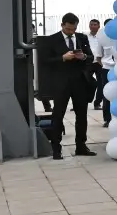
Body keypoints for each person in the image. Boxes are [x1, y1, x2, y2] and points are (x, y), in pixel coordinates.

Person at [40, 13, 96, 159]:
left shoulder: (82, 38)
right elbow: (45, 60)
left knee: (82, 115)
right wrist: (62, 58)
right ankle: (56, 148)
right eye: (69, 29)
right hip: (61, 82)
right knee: (58, 115)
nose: (71, 32)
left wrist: (83, 57)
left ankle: (81, 145)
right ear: (62, 25)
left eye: (74, 29)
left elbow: (90, 57)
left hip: (79, 81)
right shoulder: (53, 40)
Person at [84, 19, 105, 110]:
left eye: (95, 24)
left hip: (99, 62)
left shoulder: (102, 36)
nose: (93, 26)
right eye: (91, 24)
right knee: (84, 82)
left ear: (98, 26)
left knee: (101, 84)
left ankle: (97, 103)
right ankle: (82, 101)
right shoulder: (85, 36)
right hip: (88, 63)